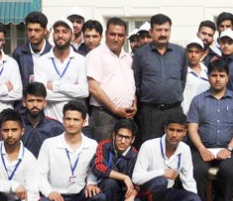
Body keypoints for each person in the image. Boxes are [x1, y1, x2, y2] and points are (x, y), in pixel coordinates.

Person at [187, 59, 233, 201]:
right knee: (198, 170)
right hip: (203, 147)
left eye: (221, 75)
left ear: (227, 77)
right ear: (208, 77)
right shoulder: (198, 100)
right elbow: (192, 128)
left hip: (228, 147)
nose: (217, 79)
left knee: (228, 170)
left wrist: (229, 148)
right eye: (214, 75)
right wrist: (201, 149)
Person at [37, 101, 106, 201]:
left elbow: (93, 169)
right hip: (55, 196)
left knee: (100, 197)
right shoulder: (50, 144)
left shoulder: (92, 145)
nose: (71, 123)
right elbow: (39, 174)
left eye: (76, 120)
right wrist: (49, 192)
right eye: (68, 119)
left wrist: (91, 182)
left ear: (84, 121)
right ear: (62, 120)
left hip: (78, 195)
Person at [132, 112, 203, 201]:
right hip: (146, 193)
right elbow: (136, 178)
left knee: (194, 199)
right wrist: (162, 172)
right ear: (165, 129)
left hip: (167, 194)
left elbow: (188, 180)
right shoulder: (149, 146)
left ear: (185, 132)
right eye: (171, 129)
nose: (174, 135)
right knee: (161, 181)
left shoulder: (185, 149)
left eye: (179, 131)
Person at [132, 14, 186, 148]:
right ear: (151, 32)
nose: (163, 33)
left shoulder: (180, 53)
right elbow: (137, 82)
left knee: (175, 149)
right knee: (150, 149)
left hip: (174, 109)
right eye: (159, 30)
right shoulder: (141, 54)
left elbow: (182, 80)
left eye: (166, 30)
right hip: (150, 112)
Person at [91, 119, 144, 201]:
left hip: (123, 193)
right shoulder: (104, 145)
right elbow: (98, 167)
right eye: (120, 136)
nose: (123, 141)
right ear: (114, 135)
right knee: (110, 183)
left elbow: (138, 181)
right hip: (104, 188)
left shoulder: (136, 155)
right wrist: (124, 177)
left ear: (133, 139)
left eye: (127, 138)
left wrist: (131, 197)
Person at [86, 17, 137, 142]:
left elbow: (131, 86)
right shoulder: (96, 55)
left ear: (125, 37)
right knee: (104, 155)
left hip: (126, 117)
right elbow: (93, 88)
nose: (116, 38)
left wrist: (134, 105)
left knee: (122, 157)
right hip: (104, 116)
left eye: (120, 35)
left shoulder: (128, 59)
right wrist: (114, 109)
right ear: (105, 35)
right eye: (112, 34)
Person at [33, 18, 89, 121]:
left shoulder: (81, 60)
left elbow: (84, 92)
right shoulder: (41, 61)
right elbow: (40, 95)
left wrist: (55, 86)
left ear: (72, 36)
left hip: (77, 121)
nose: (60, 35)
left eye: (64, 32)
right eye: (57, 31)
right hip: (50, 121)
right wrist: (73, 94)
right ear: (52, 35)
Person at [20, 82, 65, 157]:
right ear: (24, 102)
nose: (35, 105)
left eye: (39, 101)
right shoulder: (16, 126)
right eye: (31, 101)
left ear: (45, 102)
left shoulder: (56, 128)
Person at [12, 11, 52, 88]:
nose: (33, 34)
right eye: (30, 30)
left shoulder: (53, 53)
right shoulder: (19, 53)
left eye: (37, 30)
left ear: (45, 31)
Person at [183, 38, 210, 114]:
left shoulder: (207, 71)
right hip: (186, 115)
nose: (193, 55)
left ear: (201, 54)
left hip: (204, 116)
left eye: (197, 52)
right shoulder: (182, 72)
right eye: (190, 51)